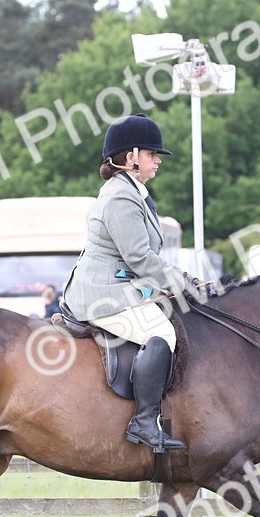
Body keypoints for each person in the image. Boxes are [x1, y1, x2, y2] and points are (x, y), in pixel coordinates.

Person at [62, 113, 187, 453]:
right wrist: (184, 282)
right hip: (101, 293)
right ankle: (144, 422)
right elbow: (139, 258)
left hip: (122, 287)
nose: (157, 160)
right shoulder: (120, 195)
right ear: (131, 156)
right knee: (163, 333)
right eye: (151, 154)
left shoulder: (134, 191)